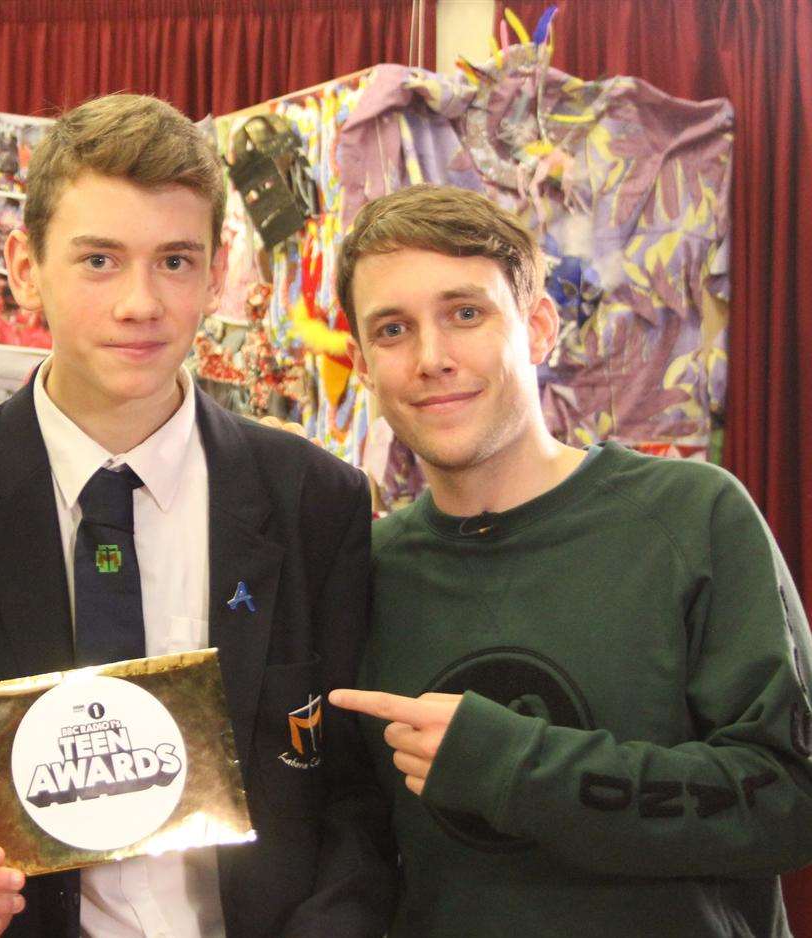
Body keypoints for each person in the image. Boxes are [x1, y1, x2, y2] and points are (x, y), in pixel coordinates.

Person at [0, 93, 395, 938]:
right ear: (23, 265)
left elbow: (353, 800)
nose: (139, 303)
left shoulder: (314, 500)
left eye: (175, 262)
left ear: (216, 272)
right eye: (99, 261)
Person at [327, 184, 812, 937]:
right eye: (392, 330)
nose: (431, 358)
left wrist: (514, 768)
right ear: (362, 363)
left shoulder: (690, 517)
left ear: (539, 326)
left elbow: (788, 799)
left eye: (465, 313)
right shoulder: (365, 572)